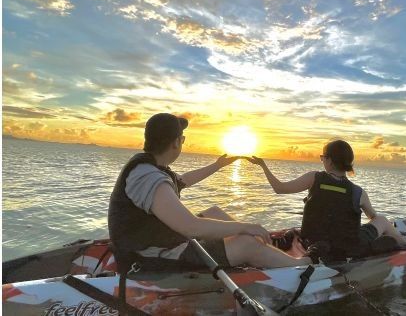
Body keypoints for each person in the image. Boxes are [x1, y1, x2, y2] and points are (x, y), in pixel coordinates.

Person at [108, 113, 311, 273]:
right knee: (247, 242)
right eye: (183, 138)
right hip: (149, 256)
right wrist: (247, 226)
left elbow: (183, 180)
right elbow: (191, 227)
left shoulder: (150, 168)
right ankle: (300, 264)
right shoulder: (147, 176)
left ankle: (259, 253)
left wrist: (217, 166)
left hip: (156, 241)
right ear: (176, 142)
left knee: (214, 212)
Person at [247, 140, 406, 263]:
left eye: (322, 157)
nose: (322, 160)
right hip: (347, 247)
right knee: (382, 220)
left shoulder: (313, 178)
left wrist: (263, 166)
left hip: (313, 241)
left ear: (330, 161)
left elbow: (280, 188)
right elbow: (373, 217)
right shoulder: (358, 192)